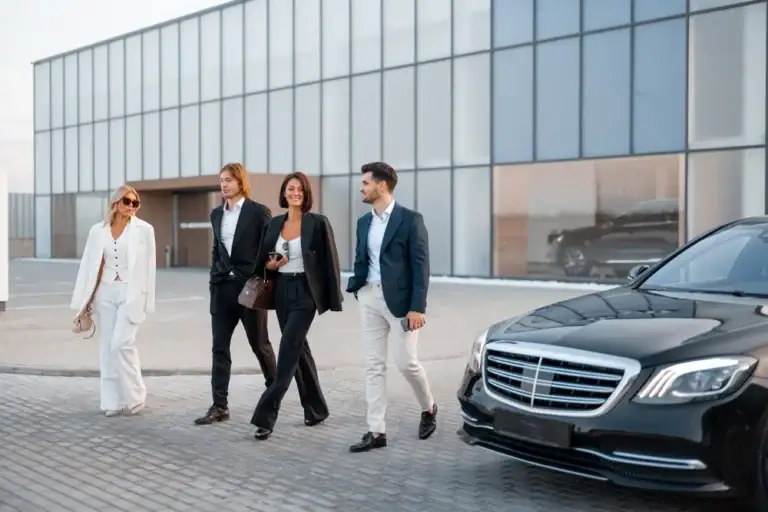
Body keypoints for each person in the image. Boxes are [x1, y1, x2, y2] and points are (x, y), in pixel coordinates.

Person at [345, 161, 437, 453]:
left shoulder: (410, 220)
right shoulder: (363, 222)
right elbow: (362, 257)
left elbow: (420, 266)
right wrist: (357, 287)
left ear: (381, 185)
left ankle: (429, 407)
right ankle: (376, 431)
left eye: (365, 183)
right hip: (369, 297)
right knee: (373, 365)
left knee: (406, 362)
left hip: (401, 303)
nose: (361, 187)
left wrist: (417, 308)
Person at [250, 171, 343, 441]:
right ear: (284, 192)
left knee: (288, 350)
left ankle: (266, 416)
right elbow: (262, 261)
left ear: (306, 194)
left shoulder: (317, 222)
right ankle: (316, 410)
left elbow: (331, 261)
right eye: (291, 188)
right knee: (299, 349)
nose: (295, 193)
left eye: (300, 189)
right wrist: (269, 265)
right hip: (281, 291)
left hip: (305, 293)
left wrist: (332, 297)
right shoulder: (274, 223)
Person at [194, 163, 278, 426]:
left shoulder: (258, 212)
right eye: (221, 180)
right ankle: (219, 406)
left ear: (241, 182)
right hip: (222, 289)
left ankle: (274, 395)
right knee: (219, 348)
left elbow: (270, 248)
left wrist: (264, 280)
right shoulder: (216, 214)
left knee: (260, 345)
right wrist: (213, 280)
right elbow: (217, 250)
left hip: (250, 289)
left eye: (229, 180)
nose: (224, 184)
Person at [70, 185, 156, 417]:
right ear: (115, 203)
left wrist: (148, 300)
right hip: (105, 293)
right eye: (126, 202)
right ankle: (112, 401)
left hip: (132, 293)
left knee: (122, 343)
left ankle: (136, 394)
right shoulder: (98, 230)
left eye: (135, 203)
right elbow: (88, 265)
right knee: (107, 347)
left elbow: (150, 268)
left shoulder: (144, 230)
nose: (131, 207)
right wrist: (83, 300)